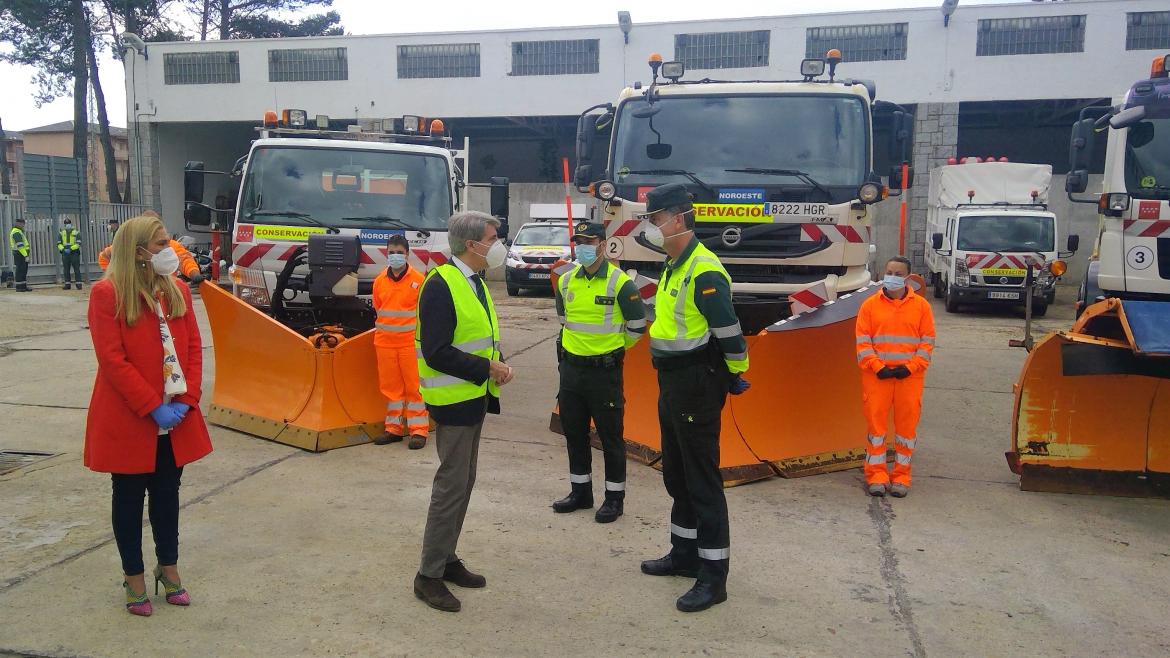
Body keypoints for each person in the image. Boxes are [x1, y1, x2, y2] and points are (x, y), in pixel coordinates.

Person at [84, 214, 213, 616]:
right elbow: (112, 359)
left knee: (166, 497)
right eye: (160, 245)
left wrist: (185, 401)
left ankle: (169, 570)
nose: (169, 252)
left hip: (174, 417)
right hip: (131, 417)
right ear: (138, 252)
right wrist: (151, 406)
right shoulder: (107, 294)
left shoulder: (176, 290)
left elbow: (192, 348)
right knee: (127, 499)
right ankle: (134, 577)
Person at [637, 183, 750, 613]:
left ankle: (713, 577)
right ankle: (683, 555)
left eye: (655, 218)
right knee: (677, 475)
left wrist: (735, 374)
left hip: (697, 384)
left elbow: (729, 333)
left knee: (702, 480)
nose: (650, 227)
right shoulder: (673, 265)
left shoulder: (703, 270)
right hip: (672, 382)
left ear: (678, 219)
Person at [413, 211, 513, 613]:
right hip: (453, 402)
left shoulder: (474, 281)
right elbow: (436, 351)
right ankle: (428, 575)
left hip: (474, 398)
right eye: (493, 237)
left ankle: (447, 558)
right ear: (473, 245)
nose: (498, 243)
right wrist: (486, 368)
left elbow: (482, 337)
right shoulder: (441, 285)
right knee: (451, 486)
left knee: (464, 482)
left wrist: (498, 361)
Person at [551, 221, 646, 523]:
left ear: (603, 245)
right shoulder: (566, 281)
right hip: (571, 371)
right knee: (574, 435)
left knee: (610, 438)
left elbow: (636, 328)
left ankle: (614, 499)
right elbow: (564, 319)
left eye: (589, 241)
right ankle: (581, 493)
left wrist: (611, 350)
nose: (584, 247)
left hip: (604, 373)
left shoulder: (621, 284)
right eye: (579, 242)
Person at [855, 256, 936, 498]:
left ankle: (902, 476)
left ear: (908, 278)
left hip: (909, 378)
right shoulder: (869, 306)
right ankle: (876, 476)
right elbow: (863, 341)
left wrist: (910, 368)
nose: (892, 276)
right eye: (889, 271)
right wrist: (877, 366)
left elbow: (927, 342)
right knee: (877, 430)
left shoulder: (922, 307)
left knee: (906, 431)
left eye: (898, 273)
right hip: (876, 377)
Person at [372, 234, 429, 449]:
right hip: (385, 343)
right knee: (391, 389)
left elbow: (424, 313)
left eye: (399, 253)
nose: (395, 256)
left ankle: (418, 431)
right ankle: (393, 429)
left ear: (408, 254)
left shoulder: (418, 281)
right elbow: (379, 309)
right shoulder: (379, 282)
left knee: (415, 387)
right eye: (391, 253)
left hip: (410, 344)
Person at [99, 214, 203, 284]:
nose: (167, 248)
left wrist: (194, 274)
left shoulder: (172, 245)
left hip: (167, 285)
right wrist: (115, 277)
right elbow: (104, 256)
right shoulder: (125, 247)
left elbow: (185, 259)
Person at [58, 218, 83, 290]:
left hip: (74, 253)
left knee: (76, 269)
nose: (67, 225)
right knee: (66, 269)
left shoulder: (76, 233)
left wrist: (71, 249)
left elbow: (78, 244)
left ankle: (79, 284)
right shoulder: (61, 233)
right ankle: (67, 284)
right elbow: (58, 244)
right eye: (66, 224)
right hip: (65, 253)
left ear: (70, 224)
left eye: (68, 223)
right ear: (64, 225)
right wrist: (63, 249)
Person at [9, 216, 30, 292]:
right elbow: (20, 246)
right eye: (22, 224)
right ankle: (19, 287)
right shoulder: (16, 232)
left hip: (21, 253)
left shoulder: (19, 231)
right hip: (20, 253)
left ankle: (23, 286)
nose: (23, 225)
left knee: (23, 270)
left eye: (23, 224)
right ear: (18, 224)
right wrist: (25, 255)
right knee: (20, 270)